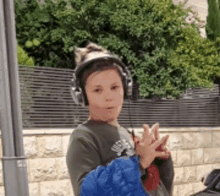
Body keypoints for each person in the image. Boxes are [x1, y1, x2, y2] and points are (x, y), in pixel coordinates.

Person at [66, 42, 174, 196]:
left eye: (115, 87)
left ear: (126, 88)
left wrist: (159, 161)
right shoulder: (83, 137)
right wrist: (138, 163)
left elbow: (153, 187)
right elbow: (88, 191)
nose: (109, 97)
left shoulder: (127, 134)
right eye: (97, 90)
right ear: (82, 96)